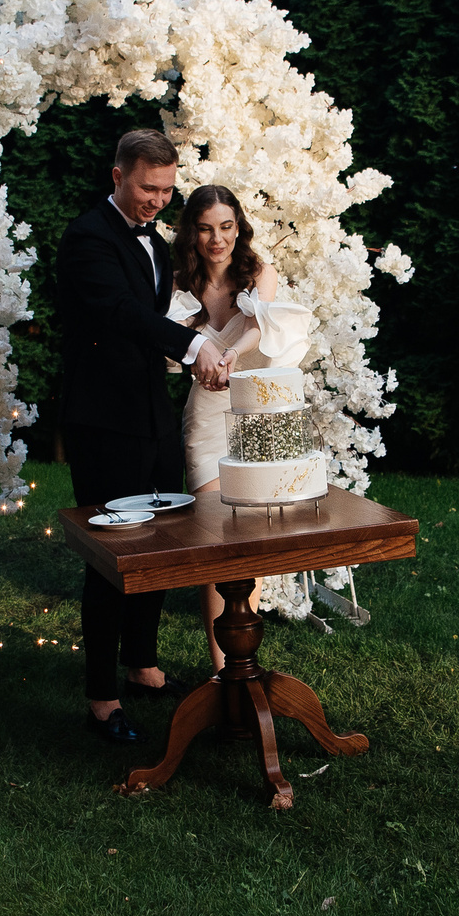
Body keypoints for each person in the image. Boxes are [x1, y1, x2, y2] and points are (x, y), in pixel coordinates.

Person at [55, 129, 233, 743]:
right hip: (102, 419)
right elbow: (121, 316)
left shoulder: (156, 247)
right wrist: (192, 345)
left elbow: (155, 323)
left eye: (166, 188)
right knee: (115, 555)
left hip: (151, 414)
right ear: (118, 177)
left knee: (158, 545)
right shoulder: (88, 238)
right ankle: (102, 699)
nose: (157, 199)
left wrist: (189, 346)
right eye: (146, 187)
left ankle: (145, 668)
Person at [168, 186, 315, 671]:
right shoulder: (176, 281)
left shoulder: (258, 274)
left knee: (246, 538)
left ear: (239, 227)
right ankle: (222, 670)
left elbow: (256, 328)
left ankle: (244, 663)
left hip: (255, 412)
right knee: (216, 538)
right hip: (207, 417)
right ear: (193, 230)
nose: (217, 239)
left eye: (226, 227)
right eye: (207, 228)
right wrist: (194, 355)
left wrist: (228, 354)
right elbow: (170, 347)